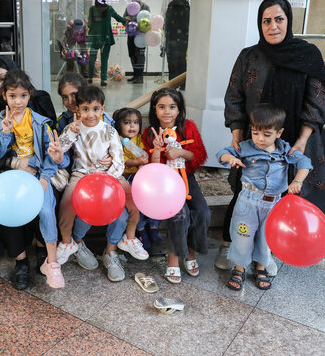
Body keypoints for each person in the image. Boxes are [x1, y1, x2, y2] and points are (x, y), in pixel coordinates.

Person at [217, 0, 325, 273]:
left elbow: (317, 100)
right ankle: (233, 246)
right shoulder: (250, 56)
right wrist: (236, 134)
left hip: (294, 139)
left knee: (285, 193)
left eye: (279, 19)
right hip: (256, 140)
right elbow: (234, 97)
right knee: (247, 190)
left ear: (288, 20)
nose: (273, 26)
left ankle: (269, 249)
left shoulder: (308, 54)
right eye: (266, 20)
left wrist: (301, 141)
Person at [0, 69, 65, 289]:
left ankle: (52, 262)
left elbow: (51, 154)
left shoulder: (41, 122)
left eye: (23, 96)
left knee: (46, 210)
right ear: (4, 96)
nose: (18, 101)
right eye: (13, 96)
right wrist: (5, 132)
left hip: (36, 175)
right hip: (7, 178)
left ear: (29, 95)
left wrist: (45, 178)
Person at [217, 104, 312, 291]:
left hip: (273, 204)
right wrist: (231, 159)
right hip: (247, 202)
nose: (260, 139)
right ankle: (239, 268)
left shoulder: (285, 150)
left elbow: (304, 162)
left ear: (279, 132)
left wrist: (297, 181)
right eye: (255, 133)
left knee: (266, 238)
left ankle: (261, 267)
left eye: (267, 134)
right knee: (242, 236)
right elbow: (222, 154)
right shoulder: (245, 147)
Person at [56, 86, 145, 282]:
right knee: (66, 205)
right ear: (77, 110)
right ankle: (66, 242)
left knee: (133, 199)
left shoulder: (109, 130)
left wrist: (109, 178)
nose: (90, 114)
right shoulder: (73, 129)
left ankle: (129, 238)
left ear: (102, 109)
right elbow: (59, 150)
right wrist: (70, 133)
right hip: (82, 174)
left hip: (108, 176)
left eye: (95, 109)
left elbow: (119, 159)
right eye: (85, 109)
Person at [142, 88, 210, 282]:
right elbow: (151, 169)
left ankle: (190, 253)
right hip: (164, 183)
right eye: (161, 107)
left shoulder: (188, 127)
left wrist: (181, 153)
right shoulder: (150, 133)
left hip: (186, 177)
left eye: (172, 107)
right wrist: (157, 150)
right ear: (154, 110)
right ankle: (173, 259)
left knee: (202, 212)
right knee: (180, 214)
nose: (167, 111)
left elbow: (199, 155)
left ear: (179, 110)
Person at [112, 107, 159, 249]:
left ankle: (154, 225)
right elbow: (123, 159)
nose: (132, 126)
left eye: (136, 122)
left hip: (142, 175)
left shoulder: (141, 139)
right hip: (125, 177)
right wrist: (137, 162)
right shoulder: (118, 142)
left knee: (153, 195)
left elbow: (146, 153)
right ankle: (140, 230)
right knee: (135, 200)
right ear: (118, 125)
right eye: (127, 122)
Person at [87, 0, 126, 87]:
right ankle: (103, 80)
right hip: (106, 37)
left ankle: (90, 78)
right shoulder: (109, 8)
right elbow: (118, 17)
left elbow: (89, 23)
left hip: (95, 37)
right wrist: (126, 20)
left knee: (92, 58)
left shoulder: (92, 9)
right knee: (104, 59)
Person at [163, 0, 190, 82]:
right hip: (184, 39)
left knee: (172, 61)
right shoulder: (186, 4)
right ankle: (182, 82)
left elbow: (169, 23)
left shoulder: (173, 5)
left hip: (173, 38)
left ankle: (173, 82)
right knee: (182, 60)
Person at [123, 0, 150, 84]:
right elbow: (124, 19)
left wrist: (140, 25)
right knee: (132, 55)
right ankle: (135, 75)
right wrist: (125, 20)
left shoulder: (145, 7)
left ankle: (140, 76)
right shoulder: (129, 7)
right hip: (131, 35)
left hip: (141, 36)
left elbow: (149, 21)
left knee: (140, 56)